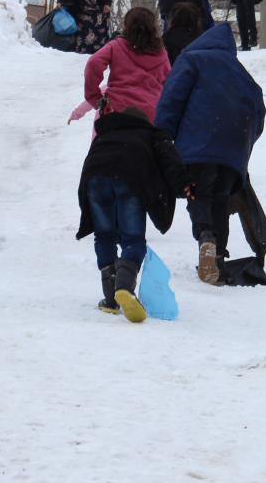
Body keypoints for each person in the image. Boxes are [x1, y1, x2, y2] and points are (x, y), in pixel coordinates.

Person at [154, 23, 266, 286]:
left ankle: (205, 236)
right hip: (232, 149)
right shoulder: (239, 71)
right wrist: (244, 143)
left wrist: (161, 134)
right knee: (221, 200)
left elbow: (173, 97)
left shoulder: (192, 59)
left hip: (198, 145)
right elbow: (258, 109)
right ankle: (216, 259)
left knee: (198, 194)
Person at [75, 107, 190, 323]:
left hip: (95, 179)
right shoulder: (150, 133)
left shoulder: (106, 132)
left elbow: (91, 162)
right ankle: (125, 287)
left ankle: (111, 298)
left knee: (104, 234)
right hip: (129, 178)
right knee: (133, 239)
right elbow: (169, 159)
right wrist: (184, 184)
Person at [68, 7, 171, 126]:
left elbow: (93, 63)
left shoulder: (117, 45)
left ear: (127, 25)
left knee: (110, 143)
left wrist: (94, 98)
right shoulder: (160, 53)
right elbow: (170, 83)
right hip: (150, 115)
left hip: (116, 110)